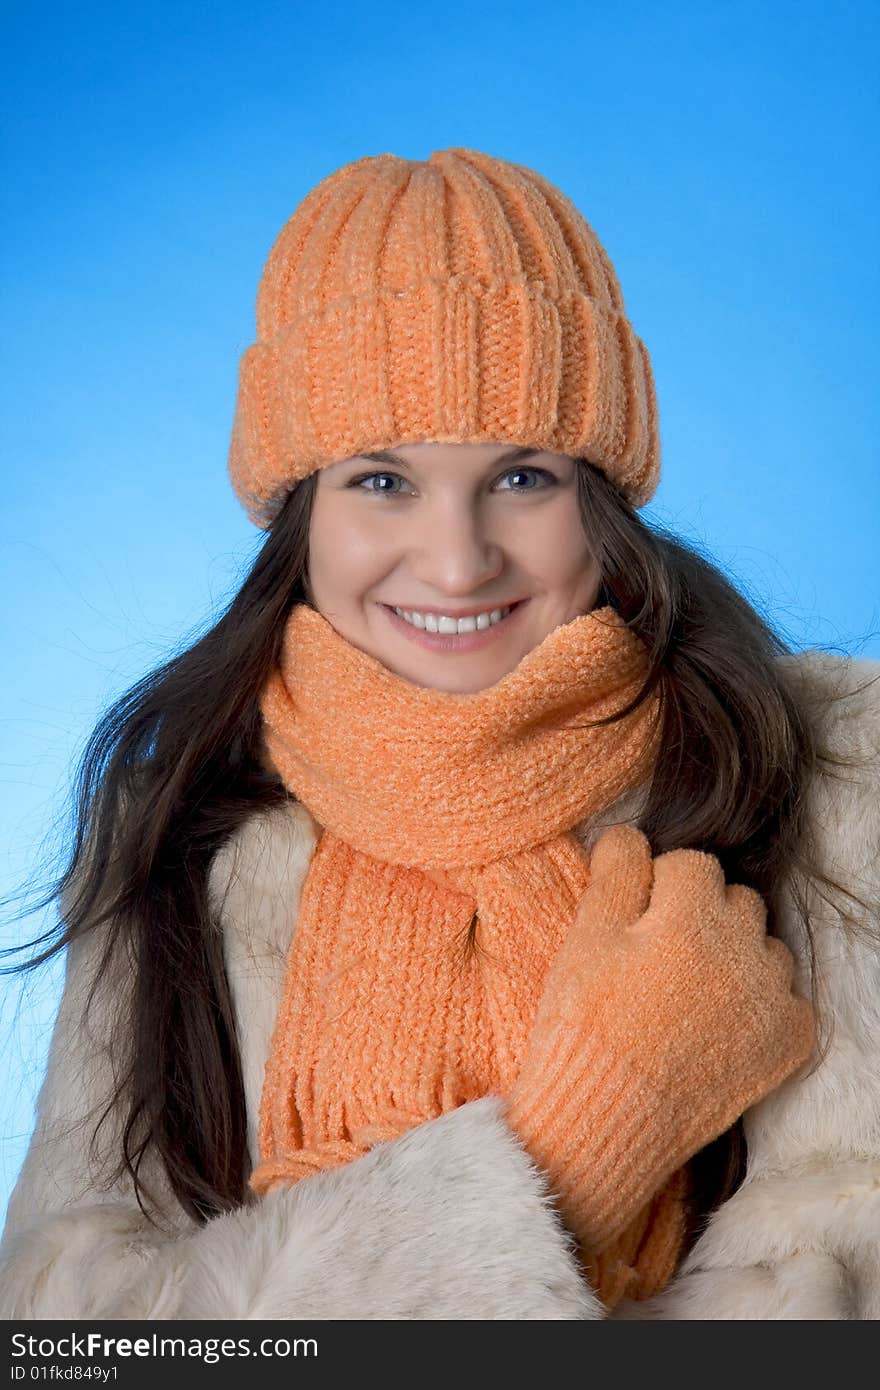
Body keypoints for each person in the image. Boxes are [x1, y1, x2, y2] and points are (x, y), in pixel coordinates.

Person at [1, 147, 878, 1322]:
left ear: (601, 496)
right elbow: (71, 1336)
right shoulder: (178, 832)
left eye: (521, 476)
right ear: (297, 508)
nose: (459, 559)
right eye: (381, 481)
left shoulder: (823, 782)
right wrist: (574, 1151)